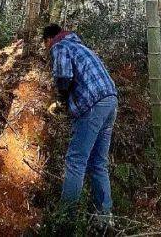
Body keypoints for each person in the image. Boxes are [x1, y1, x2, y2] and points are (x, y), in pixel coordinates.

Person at [42, 22, 117, 225]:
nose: (47, 49)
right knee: (98, 163)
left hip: (93, 104)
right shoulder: (81, 47)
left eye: (45, 45)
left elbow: (63, 76)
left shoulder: (60, 45)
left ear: (49, 39)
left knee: (75, 161)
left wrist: (61, 100)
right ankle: (104, 217)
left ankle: (66, 218)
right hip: (110, 101)